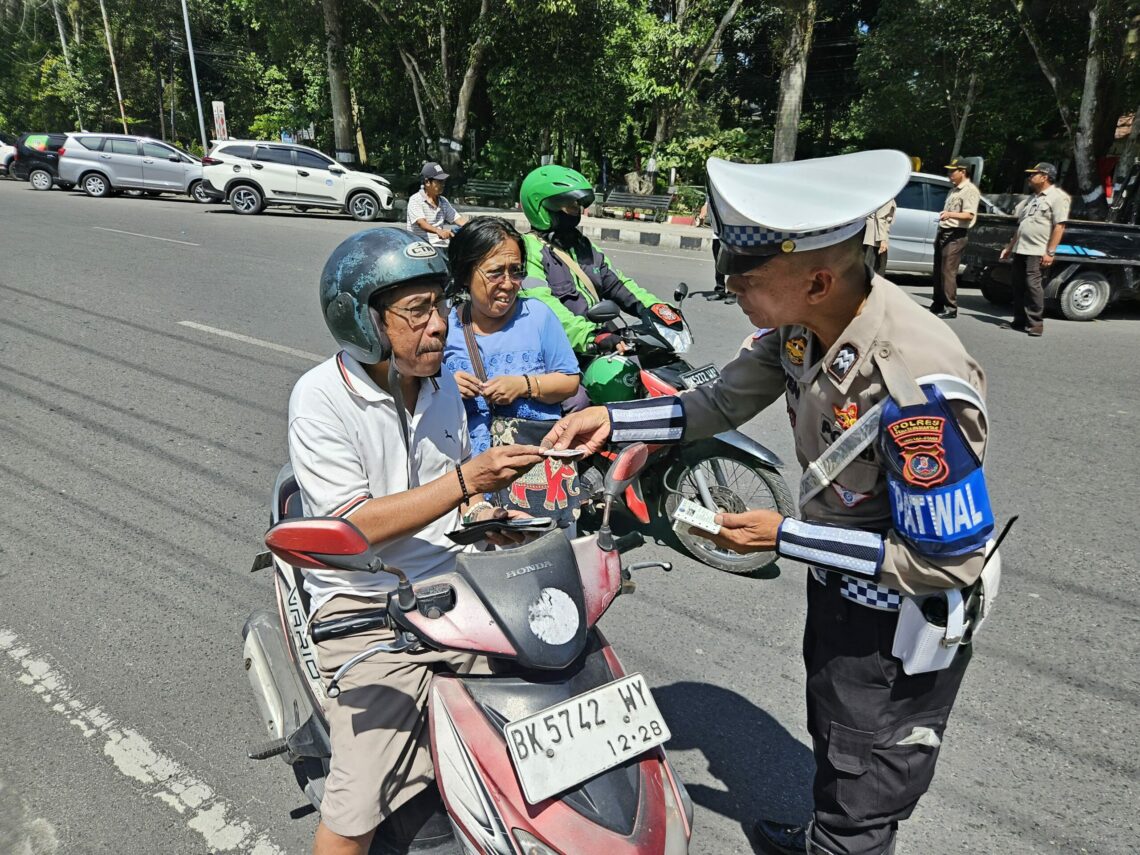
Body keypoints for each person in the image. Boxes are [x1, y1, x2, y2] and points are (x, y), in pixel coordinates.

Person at [543, 151, 996, 855]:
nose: (731, 290)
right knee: (833, 729)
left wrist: (783, 536)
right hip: (842, 588)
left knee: (868, 768)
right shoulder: (804, 325)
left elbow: (944, 560)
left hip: (899, 620)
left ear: (816, 278)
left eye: (744, 278)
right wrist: (614, 420)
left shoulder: (915, 383)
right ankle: (824, 834)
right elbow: (718, 401)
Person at [288, 227, 543, 855]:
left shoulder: (441, 390)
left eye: (441, 308)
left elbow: (454, 496)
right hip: (364, 598)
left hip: (453, 582)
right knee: (357, 801)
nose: (439, 328)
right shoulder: (320, 399)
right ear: (362, 320)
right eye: (417, 312)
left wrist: (496, 512)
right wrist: (467, 480)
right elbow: (356, 525)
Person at [443, 216, 581, 455]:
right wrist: (446, 386)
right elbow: (415, 391)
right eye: (495, 273)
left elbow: (569, 381)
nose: (508, 284)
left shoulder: (538, 316)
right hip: (465, 467)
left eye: (515, 272)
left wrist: (524, 385)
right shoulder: (445, 325)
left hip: (529, 469)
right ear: (465, 274)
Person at [517, 164, 682, 358]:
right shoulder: (528, 251)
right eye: (570, 206)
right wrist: (590, 336)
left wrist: (655, 308)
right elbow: (543, 307)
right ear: (542, 206)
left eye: (578, 206)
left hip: (601, 340)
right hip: (560, 352)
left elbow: (618, 285)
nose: (576, 212)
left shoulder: (581, 245)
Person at [999, 162, 1070, 337]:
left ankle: (1035, 324)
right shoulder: (1032, 198)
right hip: (1021, 248)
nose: (1030, 177)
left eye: (1034, 174)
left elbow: (1059, 226)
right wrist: (1009, 246)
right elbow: (1022, 225)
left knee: (1033, 286)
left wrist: (1050, 252)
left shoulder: (1058, 197)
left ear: (1044, 177)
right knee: (1017, 285)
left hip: (1037, 250)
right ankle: (1019, 321)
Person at [929, 158, 981, 319]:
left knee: (948, 271)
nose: (950, 174)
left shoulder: (970, 190)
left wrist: (950, 214)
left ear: (963, 172)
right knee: (938, 269)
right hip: (944, 231)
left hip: (956, 234)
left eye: (953, 171)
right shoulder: (953, 190)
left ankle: (951, 307)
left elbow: (968, 215)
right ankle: (937, 302)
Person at [406, 161, 468, 248]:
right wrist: (439, 231)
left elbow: (459, 219)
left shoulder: (443, 202)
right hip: (420, 248)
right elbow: (421, 223)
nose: (443, 185)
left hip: (441, 247)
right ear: (427, 182)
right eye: (439, 181)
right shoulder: (415, 200)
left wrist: (476, 226)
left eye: (443, 181)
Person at [862, 198, 895, 276]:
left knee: (870, 268)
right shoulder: (887, 196)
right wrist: (883, 240)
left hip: (872, 235)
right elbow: (880, 217)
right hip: (875, 237)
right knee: (877, 268)